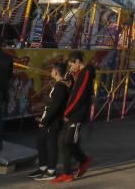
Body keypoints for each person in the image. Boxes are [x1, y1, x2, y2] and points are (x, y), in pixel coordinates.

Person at [52, 51, 95, 182]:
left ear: (77, 61)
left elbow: (79, 95)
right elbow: (74, 93)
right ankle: (67, 172)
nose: (70, 67)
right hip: (72, 112)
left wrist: (67, 112)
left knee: (70, 141)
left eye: (72, 65)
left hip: (77, 113)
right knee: (64, 141)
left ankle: (83, 160)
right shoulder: (77, 74)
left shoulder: (86, 72)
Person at [29, 63, 69, 181]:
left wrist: (45, 120)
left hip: (53, 121)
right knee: (41, 142)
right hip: (48, 119)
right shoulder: (57, 85)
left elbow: (55, 106)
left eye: (52, 70)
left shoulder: (60, 86)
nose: (51, 72)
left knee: (51, 145)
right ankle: (43, 167)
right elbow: (52, 104)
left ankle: (51, 170)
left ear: (56, 72)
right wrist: (41, 110)